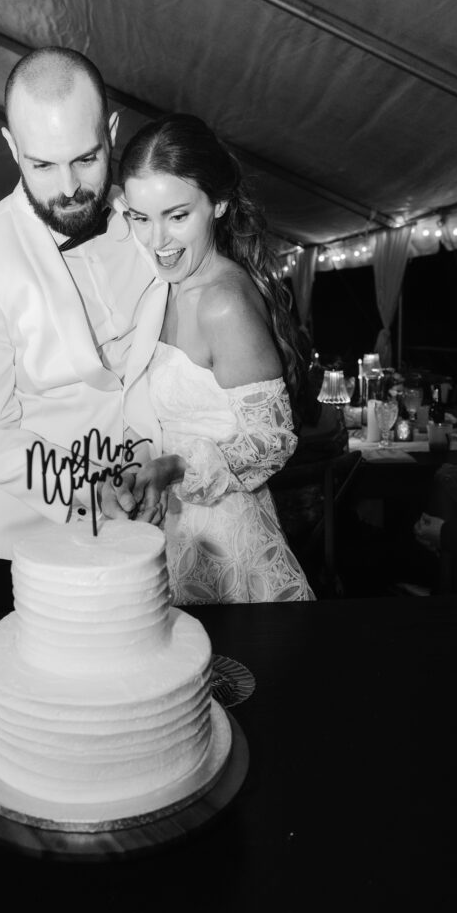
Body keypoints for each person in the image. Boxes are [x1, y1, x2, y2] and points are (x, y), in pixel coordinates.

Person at [0, 48, 166, 613]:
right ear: (12, 147)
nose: (69, 187)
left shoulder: (148, 219)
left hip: (152, 527)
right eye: (42, 165)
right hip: (29, 542)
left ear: (112, 132)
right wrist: (93, 489)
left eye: (86, 158)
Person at [118, 113, 314, 603]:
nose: (157, 241)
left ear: (219, 203)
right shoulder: (160, 287)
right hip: (163, 536)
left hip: (225, 546)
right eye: (141, 218)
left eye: (177, 216)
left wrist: (177, 467)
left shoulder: (222, 302)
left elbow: (272, 440)